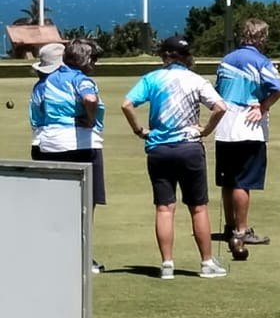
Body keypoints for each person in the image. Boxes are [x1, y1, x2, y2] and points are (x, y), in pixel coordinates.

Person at [121, 37, 229, 280]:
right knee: (198, 207)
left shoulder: (152, 78)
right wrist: (206, 130)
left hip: (158, 149)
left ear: (164, 56)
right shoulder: (196, 80)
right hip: (189, 147)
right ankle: (207, 263)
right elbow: (220, 107)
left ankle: (167, 264)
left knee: (164, 207)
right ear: (186, 57)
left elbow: (127, 105)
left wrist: (139, 130)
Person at [30, 39, 107, 272]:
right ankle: (82, 257)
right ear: (85, 59)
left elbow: (37, 118)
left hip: (49, 144)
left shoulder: (43, 84)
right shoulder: (81, 79)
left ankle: (53, 254)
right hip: (82, 145)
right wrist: (90, 119)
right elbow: (90, 99)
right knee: (86, 202)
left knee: (55, 204)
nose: (95, 64)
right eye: (94, 59)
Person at [213, 18, 280, 260]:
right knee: (243, 182)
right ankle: (242, 231)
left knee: (228, 181)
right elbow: (278, 88)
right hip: (248, 128)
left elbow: (217, 91)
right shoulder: (261, 61)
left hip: (224, 128)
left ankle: (229, 227)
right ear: (261, 38)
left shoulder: (226, 60)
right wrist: (263, 106)